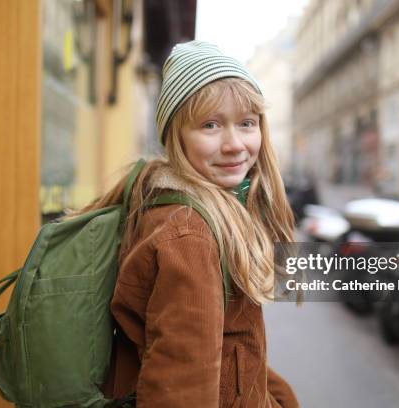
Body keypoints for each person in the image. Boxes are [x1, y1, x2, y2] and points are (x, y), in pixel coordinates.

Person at [82, 41, 298, 407]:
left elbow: (232, 347)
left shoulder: (188, 211)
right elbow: (180, 386)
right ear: (175, 136)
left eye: (247, 123)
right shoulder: (189, 234)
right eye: (210, 125)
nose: (234, 144)